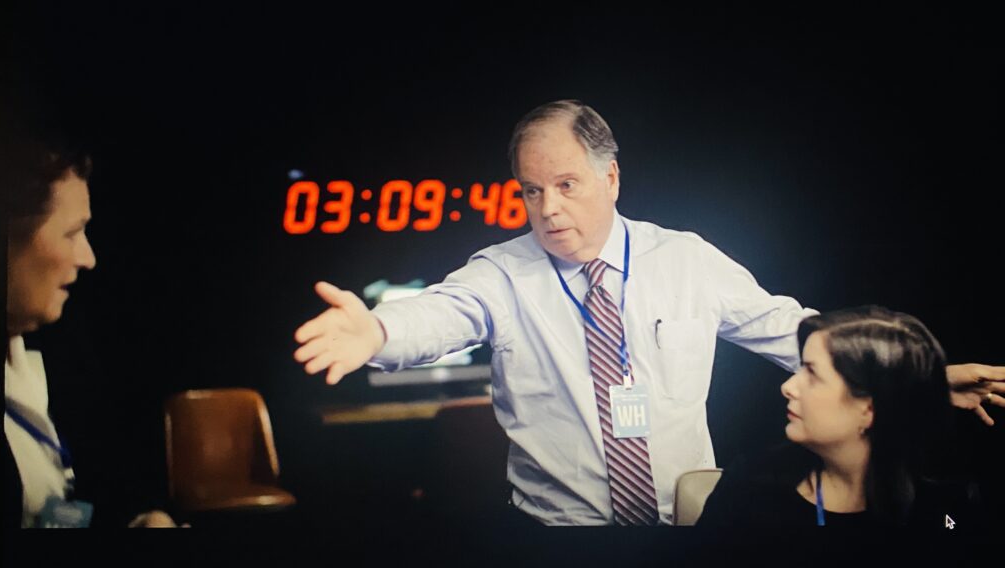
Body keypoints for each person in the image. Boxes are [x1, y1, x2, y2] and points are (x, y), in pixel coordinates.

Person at [293, 100, 1005, 525]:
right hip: (559, 539)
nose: (548, 209)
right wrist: (378, 330)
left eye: (566, 184)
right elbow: (439, 317)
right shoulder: (501, 274)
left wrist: (916, 379)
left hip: (694, 525)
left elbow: (791, 329)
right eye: (532, 191)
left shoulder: (686, 259)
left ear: (611, 177)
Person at [3, 138, 181, 528]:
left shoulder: (57, 352)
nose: (89, 258)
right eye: (71, 233)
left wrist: (140, 522)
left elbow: (92, 495)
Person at [697, 306, 987, 528]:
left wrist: (928, 384)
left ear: (869, 409)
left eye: (812, 373)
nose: (788, 387)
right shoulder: (751, 487)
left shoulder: (946, 509)